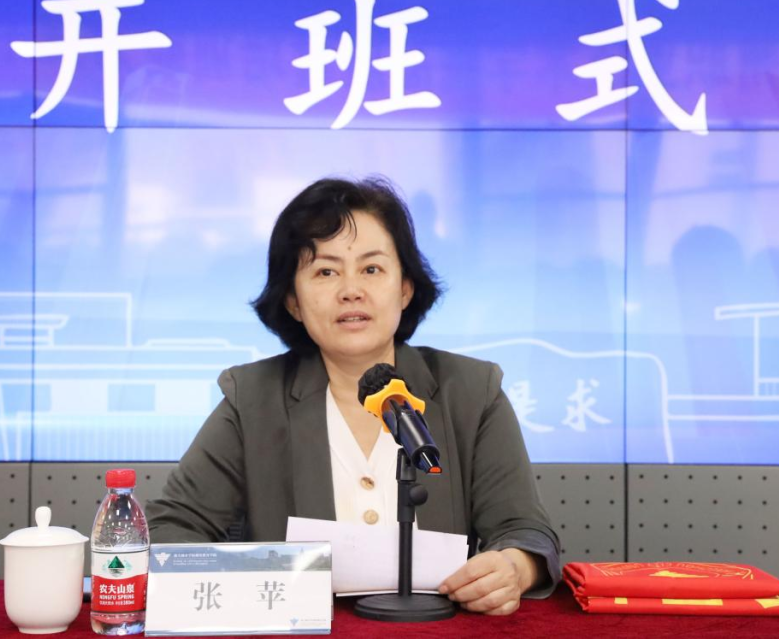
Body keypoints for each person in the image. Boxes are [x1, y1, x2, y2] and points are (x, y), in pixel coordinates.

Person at [146, 177, 560, 614]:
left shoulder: (472, 391)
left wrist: (513, 568)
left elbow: (525, 531)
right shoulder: (251, 400)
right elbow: (171, 528)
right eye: (326, 272)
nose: (351, 290)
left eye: (371, 269)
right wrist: (253, 583)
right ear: (293, 301)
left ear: (405, 288)